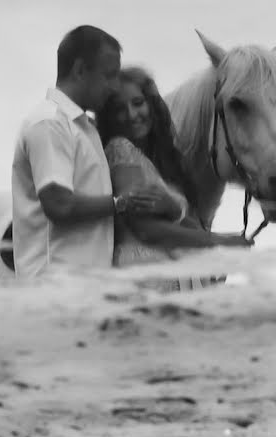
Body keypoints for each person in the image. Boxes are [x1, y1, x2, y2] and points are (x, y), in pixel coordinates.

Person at [11, 26, 183, 280]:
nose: (115, 87)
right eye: (109, 76)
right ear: (80, 70)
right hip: (53, 287)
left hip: (84, 288)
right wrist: (122, 203)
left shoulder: (86, 129)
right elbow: (59, 204)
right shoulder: (50, 122)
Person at [94, 66, 251, 290]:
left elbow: (177, 222)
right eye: (119, 109)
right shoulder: (120, 149)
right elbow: (145, 228)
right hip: (143, 274)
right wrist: (219, 241)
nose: (131, 115)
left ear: (151, 103)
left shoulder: (150, 162)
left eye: (137, 103)